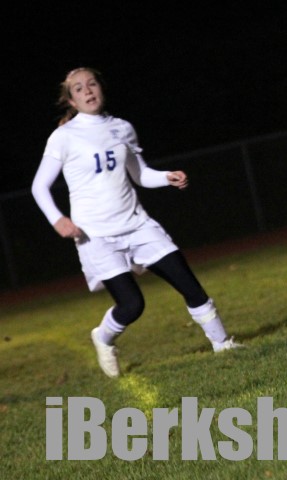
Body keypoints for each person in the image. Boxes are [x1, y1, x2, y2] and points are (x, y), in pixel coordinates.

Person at [31, 67, 243, 378]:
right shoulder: (63, 137)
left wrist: (166, 177)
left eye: (92, 84)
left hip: (137, 225)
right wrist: (58, 220)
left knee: (188, 282)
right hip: (96, 235)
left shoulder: (122, 128)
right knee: (132, 305)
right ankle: (103, 338)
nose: (87, 91)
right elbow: (39, 187)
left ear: (101, 89)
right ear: (72, 101)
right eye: (78, 88)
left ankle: (223, 344)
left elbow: (140, 174)